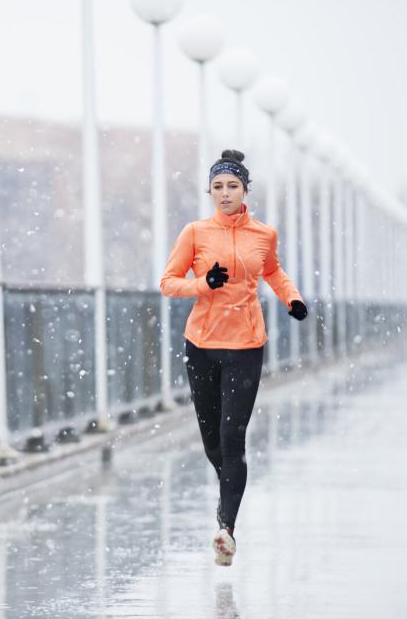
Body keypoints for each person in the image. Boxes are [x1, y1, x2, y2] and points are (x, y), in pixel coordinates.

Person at [159, 149, 308, 566]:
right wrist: (203, 284)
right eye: (218, 186)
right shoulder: (195, 232)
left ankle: (226, 529)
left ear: (245, 190)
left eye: (233, 186)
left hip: (245, 346)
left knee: (232, 438)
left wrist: (291, 298)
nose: (225, 193)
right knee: (212, 441)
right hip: (202, 347)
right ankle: (227, 490)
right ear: (210, 190)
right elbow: (168, 282)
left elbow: (274, 272)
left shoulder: (264, 234)